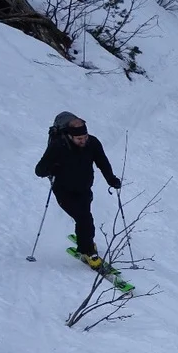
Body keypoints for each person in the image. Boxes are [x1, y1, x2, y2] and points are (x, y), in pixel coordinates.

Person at [34, 111, 121, 268]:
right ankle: (88, 251)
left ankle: (85, 240)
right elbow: (39, 170)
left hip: (84, 188)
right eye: (79, 139)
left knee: (85, 218)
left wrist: (111, 179)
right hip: (63, 190)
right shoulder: (58, 147)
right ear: (69, 136)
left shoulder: (92, 143)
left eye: (85, 137)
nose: (83, 141)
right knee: (84, 218)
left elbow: (102, 162)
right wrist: (53, 167)